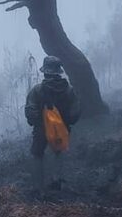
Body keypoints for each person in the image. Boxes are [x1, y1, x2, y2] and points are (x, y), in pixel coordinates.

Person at [24, 56, 80, 194]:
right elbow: (76, 110)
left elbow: (30, 111)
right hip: (62, 129)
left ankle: (39, 188)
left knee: (37, 154)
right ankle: (58, 180)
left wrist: (37, 122)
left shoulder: (37, 90)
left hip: (41, 131)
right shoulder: (69, 90)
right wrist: (66, 122)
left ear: (45, 72)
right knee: (59, 152)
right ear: (59, 71)